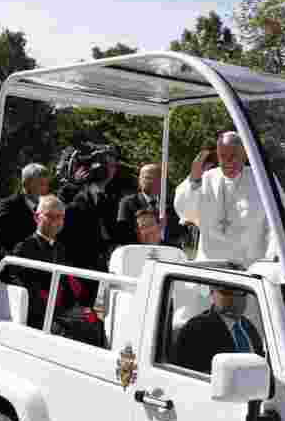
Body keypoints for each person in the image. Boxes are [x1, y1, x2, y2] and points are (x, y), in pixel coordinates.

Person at [174, 131, 276, 267]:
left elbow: (276, 224)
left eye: (233, 156)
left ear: (245, 154)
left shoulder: (263, 180)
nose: (228, 162)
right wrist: (194, 180)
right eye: (223, 156)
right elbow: (185, 211)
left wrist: (272, 255)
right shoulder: (206, 178)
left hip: (249, 268)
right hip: (210, 266)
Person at [61, 144, 131, 307]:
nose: (112, 170)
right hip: (73, 269)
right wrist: (73, 184)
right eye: (108, 165)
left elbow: (113, 233)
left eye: (114, 166)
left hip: (96, 268)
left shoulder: (108, 199)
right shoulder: (77, 196)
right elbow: (58, 216)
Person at [1, 195, 81, 331]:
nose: (56, 221)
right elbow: (20, 287)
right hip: (36, 316)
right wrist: (53, 315)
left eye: (60, 216)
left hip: (58, 312)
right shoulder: (24, 248)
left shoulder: (60, 248)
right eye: (50, 216)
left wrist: (72, 308)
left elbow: (67, 284)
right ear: (37, 217)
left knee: (93, 324)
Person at [172, 285, 264, 374]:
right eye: (226, 291)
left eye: (240, 291)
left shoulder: (248, 326)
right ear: (212, 292)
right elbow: (189, 375)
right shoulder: (195, 329)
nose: (234, 297)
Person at [0, 163, 50, 263]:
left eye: (46, 184)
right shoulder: (9, 207)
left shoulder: (45, 208)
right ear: (27, 184)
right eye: (41, 184)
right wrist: (10, 269)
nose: (45, 189)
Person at [117, 162, 185, 246]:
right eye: (146, 177)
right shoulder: (128, 203)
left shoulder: (172, 204)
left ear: (162, 181)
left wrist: (165, 225)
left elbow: (181, 231)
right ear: (139, 180)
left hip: (167, 252)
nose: (149, 181)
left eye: (154, 178)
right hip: (138, 251)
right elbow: (122, 233)